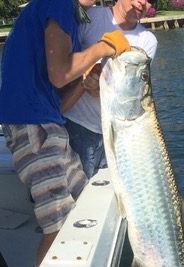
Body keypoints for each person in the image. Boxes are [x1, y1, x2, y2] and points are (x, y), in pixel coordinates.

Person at [0, 0, 130, 267]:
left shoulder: (61, 12)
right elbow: (60, 74)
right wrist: (105, 47)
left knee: (85, 201)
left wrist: (85, 80)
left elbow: (58, 102)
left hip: (47, 123)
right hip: (31, 125)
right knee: (59, 223)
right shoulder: (57, 4)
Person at [61, 0, 158, 179]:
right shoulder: (91, 17)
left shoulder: (147, 41)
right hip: (78, 126)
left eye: (151, 0)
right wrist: (84, 78)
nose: (143, 2)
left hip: (121, 135)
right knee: (76, 192)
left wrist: (95, 86)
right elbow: (64, 63)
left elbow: (134, 93)